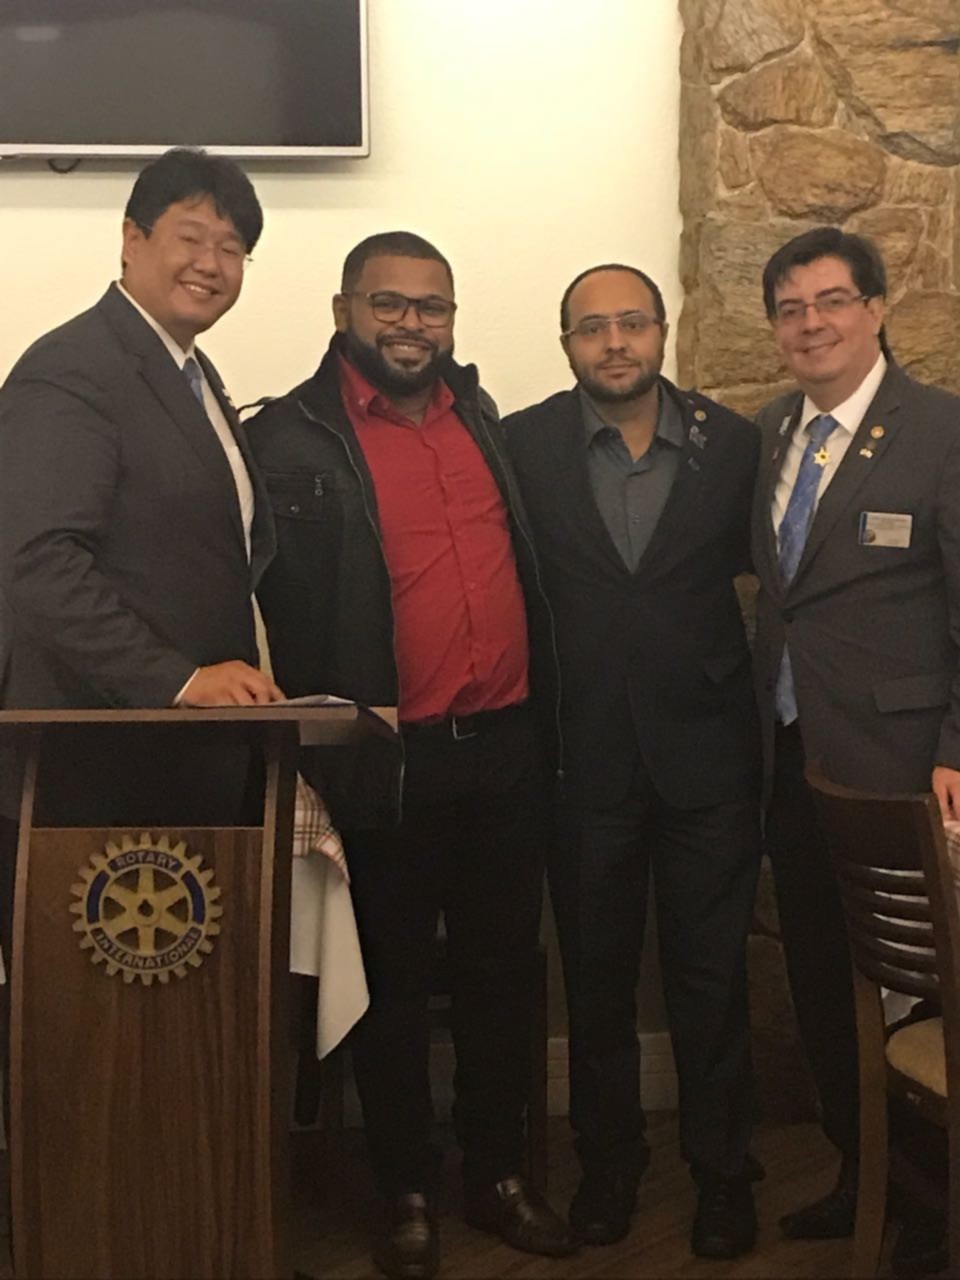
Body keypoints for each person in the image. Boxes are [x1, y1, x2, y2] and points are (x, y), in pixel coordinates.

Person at [248, 231, 574, 1280]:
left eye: (431, 306)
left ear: (452, 320)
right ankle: (405, 1190)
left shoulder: (482, 419)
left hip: (506, 749)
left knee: (499, 976)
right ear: (343, 309)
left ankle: (497, 1174)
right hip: (383, 760)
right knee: (385, 986)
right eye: (388, 302)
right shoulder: (287, 437)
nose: (410, 323)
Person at [503, 264, 762, 1259]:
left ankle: (724, 1173)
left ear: (663, 330)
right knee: (597, 984)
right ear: (565, 341)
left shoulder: (734, 444)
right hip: (581, 761)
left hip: (709, 759)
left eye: (632, 323)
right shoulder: (521, 445)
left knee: (712, 978)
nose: (614, 343)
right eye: (591, 327)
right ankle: (608, 1169)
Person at [0, 147, 281, 943]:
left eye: (232, 248)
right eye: (191, 237)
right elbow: (39, 564)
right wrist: (180, 681)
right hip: (93, 770)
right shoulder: (73, 368)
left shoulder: (192, 373)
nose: (211, 264)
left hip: (186, 766)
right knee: (97, 1010)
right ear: (131, 238)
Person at [752, 225, 960, 1239]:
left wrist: (956, 746)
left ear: (876, 309)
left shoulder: (942, 430)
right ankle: (864, 1172)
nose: (811, 323)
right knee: (825, 973)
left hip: (909, 767)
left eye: (832, 300)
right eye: (790, 309)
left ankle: (933, 1202)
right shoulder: (771, 433)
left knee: (921, 985)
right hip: (796, 757)